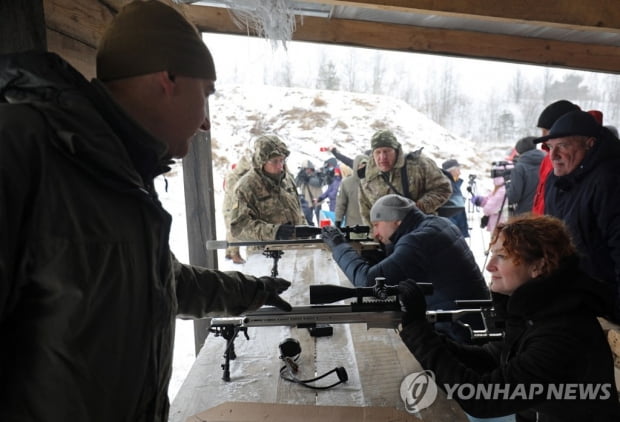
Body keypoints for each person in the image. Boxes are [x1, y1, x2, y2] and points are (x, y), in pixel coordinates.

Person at [0, 2, 292, 421]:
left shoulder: (122, 173)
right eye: (205, 94)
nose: (206, 122)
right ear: (168, 79)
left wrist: (254, 291)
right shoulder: (22, 148)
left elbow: (165, 283)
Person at [398, 214, 620, 421]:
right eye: (492, 254)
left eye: (501, 257)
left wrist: (420, 333)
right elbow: (492, 359)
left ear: (538, 266)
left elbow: (482, 398)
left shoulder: (562, 333)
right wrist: (424, 335)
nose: (489, 266)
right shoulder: (536, 310)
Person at [321, 194, 489, 340]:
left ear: (396, 221)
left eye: (377, 224)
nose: (375, 233)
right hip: (474, 320)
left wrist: (338, 246)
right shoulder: (436, 223)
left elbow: (368, 283)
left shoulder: (417, 241)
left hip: (457, 332)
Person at [534, 110, 620, 323]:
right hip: (573, 297)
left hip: (606, 301)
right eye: (550, 147)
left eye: (562, 146)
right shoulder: (555, 181)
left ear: (589, 144)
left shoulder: (610, 181)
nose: (553, 156)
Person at [358, 129, 452, 225]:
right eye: (378, 152)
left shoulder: (419, 164)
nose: (382, 157)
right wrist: (374, 236)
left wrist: (418, 207)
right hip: (387, 237)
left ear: (396, 151)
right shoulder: (367, 176)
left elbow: (443, 188)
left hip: (421, 229)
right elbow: (366, 211)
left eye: (387, 151)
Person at [229, 135, 307, 244]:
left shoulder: (287, 180)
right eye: (275, 161)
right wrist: (274, 232)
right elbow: (239, 228)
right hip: (265, 254)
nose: (280, 166)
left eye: (282, 160)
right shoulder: (246, 187)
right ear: (261, 161)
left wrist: (307, 232)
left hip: (297, 249)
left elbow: (299, 212)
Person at [223, 152, 252, 264]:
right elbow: (235, 193)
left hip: (232, 206)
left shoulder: (234, 175)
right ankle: (235, 254)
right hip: (231, 207)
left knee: (229, 230)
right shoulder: (233, 177)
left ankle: (228, 252)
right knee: (233, 230)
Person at [505, 136, 545, 215]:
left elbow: (513, 197)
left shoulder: (520, 168)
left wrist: (508, 186)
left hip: (525, 215)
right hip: (544, 212)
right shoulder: (547, 163)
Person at [335, 155, 368, 232]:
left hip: (371, 226)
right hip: (352, 226)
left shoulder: (373, 182)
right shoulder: (347, 183)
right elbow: (341, 203)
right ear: (356, 166)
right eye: (360, 165)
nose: (363, 168)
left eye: (366, 165)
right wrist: (338, 220)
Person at [440, 159, 469, 238]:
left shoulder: (455, 184)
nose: (460, 173)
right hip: (451, 228)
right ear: (450, 171)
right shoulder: (446, 184)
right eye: (458, 170)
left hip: (457, 227)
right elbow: (447, 209)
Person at [295, 160, 324, 225]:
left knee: (319, 217)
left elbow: (318, 183)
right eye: (305, 169)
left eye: (307, 169)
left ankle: (321, 231)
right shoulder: (302, 176)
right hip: (307, 200)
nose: (306, 171)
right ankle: (311, 232)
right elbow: (296, 184)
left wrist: (308, 179)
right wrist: (300, 176)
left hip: (317, 199)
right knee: (308, 218)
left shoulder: (316, 174)